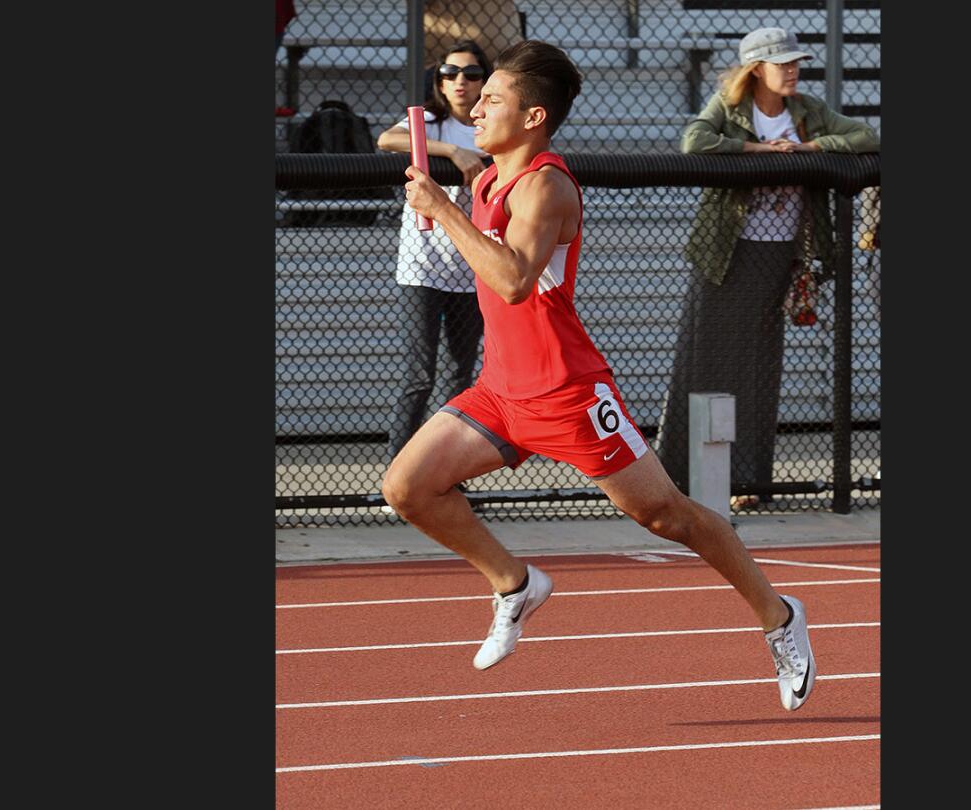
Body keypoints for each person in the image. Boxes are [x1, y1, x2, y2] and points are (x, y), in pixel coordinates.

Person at [391, 39, 817, 711]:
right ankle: (514, 583)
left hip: (567, 391)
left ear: (534, 117)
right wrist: (448, 162)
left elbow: (511, 281)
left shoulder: (547, 186)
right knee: (407, 487)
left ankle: (779, 616)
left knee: (666, 515)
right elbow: (467, 160)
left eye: (493, 98)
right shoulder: (488, 173)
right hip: (502, 388)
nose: (475, 104)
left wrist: (440, 211)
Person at [655, 27, 880, 510]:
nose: (794, 70)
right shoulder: (730, 107)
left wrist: (809, 149)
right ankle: (683, 478)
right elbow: (694, 141)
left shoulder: (807, 112)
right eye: (783, 64)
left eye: (796, 62)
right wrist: (756, 150)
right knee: (708, 362)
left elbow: (865, 136)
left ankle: (749, 482)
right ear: (757, 69)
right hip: (727, 255)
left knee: (761, 368)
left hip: (784, 255)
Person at [376, 41, 493, 467]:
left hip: (472, 266)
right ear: (439, 81)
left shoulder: (489, 125)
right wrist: (450, 152)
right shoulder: (430, 122)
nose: (460, 81)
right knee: (419, 374)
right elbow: (387, 139)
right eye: (450, 73)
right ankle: (398, 468)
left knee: (460, 375)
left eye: (472, 74)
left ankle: (444, 468)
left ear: (486, 81)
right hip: (422, 267)